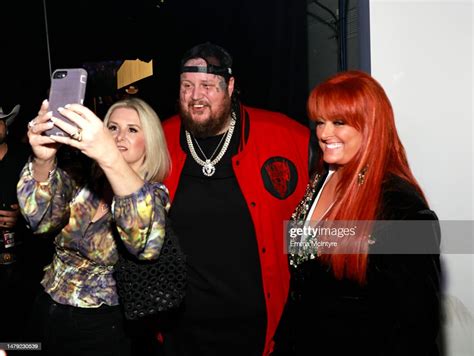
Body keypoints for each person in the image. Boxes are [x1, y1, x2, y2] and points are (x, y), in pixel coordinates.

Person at [273, 70, 442, 355]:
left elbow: (417, 328)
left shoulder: (401, 206)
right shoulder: (321, 177)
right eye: (320, 122)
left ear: (370, 126)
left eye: (339, 122)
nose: (325, 134)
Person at [160, 42, 311, 355]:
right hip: (180, 330)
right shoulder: (158, 139)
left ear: (230, 85)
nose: (195, 97)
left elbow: (328, 217)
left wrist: (401, 238)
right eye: (187, 86)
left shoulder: (286, 137)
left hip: (259, 331)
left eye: (207, 86)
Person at [17, 97, 171, 356]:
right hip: (45, 306)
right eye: (112, 127)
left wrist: (110, 158)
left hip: (101, 325)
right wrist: (42, 160)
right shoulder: (80, 179)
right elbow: (39, 222)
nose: (119, 136)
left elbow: (144, 246)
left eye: (132, 130)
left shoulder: (153, 195)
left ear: (150, 141)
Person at [0, 103, 32, 342]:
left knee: (22, 333)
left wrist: (22, 217)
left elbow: (48, 204)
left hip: (24, 260)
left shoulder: (25, 157)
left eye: (0, 120)